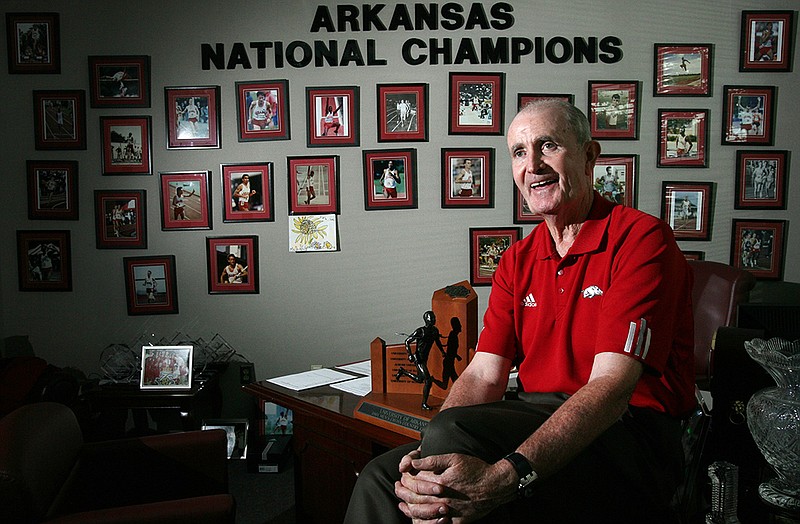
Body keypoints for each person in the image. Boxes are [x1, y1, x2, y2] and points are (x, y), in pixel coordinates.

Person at [344, 99, 694, 523]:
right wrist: (424, 461)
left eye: (548, 146)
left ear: (588, 157)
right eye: (519, 152)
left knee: (452, 443)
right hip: (536, 417)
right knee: (384, 477)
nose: (533, 166)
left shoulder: (641, 239)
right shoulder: (517, 260)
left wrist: (512, 474)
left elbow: (612, 388)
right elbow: (483, 375)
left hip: (629, 437)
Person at [395, 311, 446, 410]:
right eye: (432, 318)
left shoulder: (435, 331)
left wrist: (443, 352)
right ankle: (424, 404)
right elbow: (407, 341)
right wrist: (409, 354)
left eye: (434, 317)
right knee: (427, 380)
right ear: (427, 320)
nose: (434, 319)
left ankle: (403, 371)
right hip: (418, 358)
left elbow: (437, 342)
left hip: (425, 358)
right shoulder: (420, 331)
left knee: (419, 379)